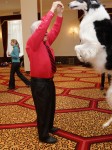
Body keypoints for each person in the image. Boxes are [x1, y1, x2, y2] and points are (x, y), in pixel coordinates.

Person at [26, 1, 64, 144]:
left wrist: (59, 15)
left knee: (50, 105)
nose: (47, 32)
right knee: (42, 109)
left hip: (49, 80)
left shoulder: (45, 42)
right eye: (43, 31)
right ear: (37, 33)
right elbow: (43, 28)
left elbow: (55, 30)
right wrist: (52, 10)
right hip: (39, 83)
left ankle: (49, 126)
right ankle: (43, 135)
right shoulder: (32, 43)